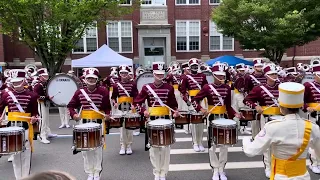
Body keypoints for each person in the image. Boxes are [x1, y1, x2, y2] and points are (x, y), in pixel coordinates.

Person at [243, 82, 320, 180]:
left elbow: (251, 151)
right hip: (303, 176)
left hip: (281, 176)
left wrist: (246, 140)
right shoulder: (313, 127)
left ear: (281, 107)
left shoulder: (272, 126)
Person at [192, 63, 240, 180]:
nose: (222, 78)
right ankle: (215, 169)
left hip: (223, 117)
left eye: (223, 76)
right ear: (214, 75)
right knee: (212, 145)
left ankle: (222, 169)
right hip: (212, 118)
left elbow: (228, 106)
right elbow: (195, 100)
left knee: (224, 145)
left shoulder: (227, 88)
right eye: (219, 75)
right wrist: (202, 109)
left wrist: (235, 113)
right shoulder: (207, 88)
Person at [134, 62, 180, 180]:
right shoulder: (146, 88)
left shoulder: (169, 88)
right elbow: (137, 102)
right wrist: (143, 110)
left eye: (161, 74)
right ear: (153, 74)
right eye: (157, 74)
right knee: (153, 148)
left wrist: (175, 111)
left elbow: (173, 104)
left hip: (165, 120)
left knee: (165, 148)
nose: (160, 77)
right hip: (152, 120)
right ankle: (156, 172)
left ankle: (163, 172)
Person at [68, 67, 111, 180]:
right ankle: (89, 172)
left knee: (97, 149)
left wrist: (107, 115)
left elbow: (107, 107)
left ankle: (96, 172)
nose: (91, 80)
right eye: (89, 78)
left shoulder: (103, 91)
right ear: (85, 79)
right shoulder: (79, 92)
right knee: (85, 149)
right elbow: (71, 105)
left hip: (98, 123)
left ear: (97, 79)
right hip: (83, 123)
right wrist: (74, 115)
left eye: (93, 78)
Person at [0, 69, 39, 180]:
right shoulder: (5, 94)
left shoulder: (32, 95)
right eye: (14, 82)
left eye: (18, 81)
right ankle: (18, 178)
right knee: (16, 156)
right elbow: (0, 108)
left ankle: (26, 177)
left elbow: (35, 112)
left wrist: (35, 118)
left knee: (26, 155)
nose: (16, 84)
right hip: (11, 127)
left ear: (24, 81)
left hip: (25, 127)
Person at [243, 64, 280, 178]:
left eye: (275, 73)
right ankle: (268, 167)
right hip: (266, 118)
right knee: (267, 144)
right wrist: (255, 106)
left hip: (280, 118)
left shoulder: (282, 87)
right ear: (267, 76)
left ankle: (277, 167)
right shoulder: (260, 88)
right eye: (272, 74)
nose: (275, 76)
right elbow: (247, 100)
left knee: (279, 143)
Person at [180, 58, 208, 152]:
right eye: (193, 66)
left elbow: (206, 88)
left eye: (196, 66)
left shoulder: (203, 76)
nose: (195, 67)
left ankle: (200, 142)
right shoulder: (185, 78)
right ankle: (195, 143)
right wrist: (186, 100)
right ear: (190, 67)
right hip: (192, 101)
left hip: (202, 100)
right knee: (194, 123)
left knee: (201, 123)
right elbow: (182, 91)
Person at [111, 65, 138, 155]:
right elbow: (113, 97)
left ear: (128, 74)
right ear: (120, 74)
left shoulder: (133, 84)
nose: (124, 74)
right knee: (122, 128)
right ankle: (122, 145)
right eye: (122, 73)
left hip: (130, 107)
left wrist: (134, 105)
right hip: (120, 108)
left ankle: (129, 145)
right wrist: (115, 102)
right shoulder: (116, 85)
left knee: (130, 127)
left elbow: (136, 96)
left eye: (125, 73)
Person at [303, 64, 320, 173]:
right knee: (315, 140)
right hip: (314, 115)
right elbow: (300, 100)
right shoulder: (308, 85)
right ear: (315, 75)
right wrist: (307, 107)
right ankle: (314, 163)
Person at [33, 68, 57, 144]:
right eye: (44, 76)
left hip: (45, 102)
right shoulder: (38, 85)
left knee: (46, 119)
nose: (46, 77)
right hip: (41, 103)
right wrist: (47, 97)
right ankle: (41, 135)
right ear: (40, 76)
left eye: (46, 75)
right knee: (42, 119)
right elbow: (36, 96)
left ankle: (47, 132)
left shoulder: (45, 84)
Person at [232, 63, 251, 135]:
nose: (242, 72)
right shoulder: (239, 77)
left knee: (238, 110)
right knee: (242, 110)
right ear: (237, 70)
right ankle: (242, 128)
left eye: (243, 70)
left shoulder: (238, 76)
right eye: (241, 70)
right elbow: (240, 89)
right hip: (239, 95)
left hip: (238, 94)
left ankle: (240, 127)